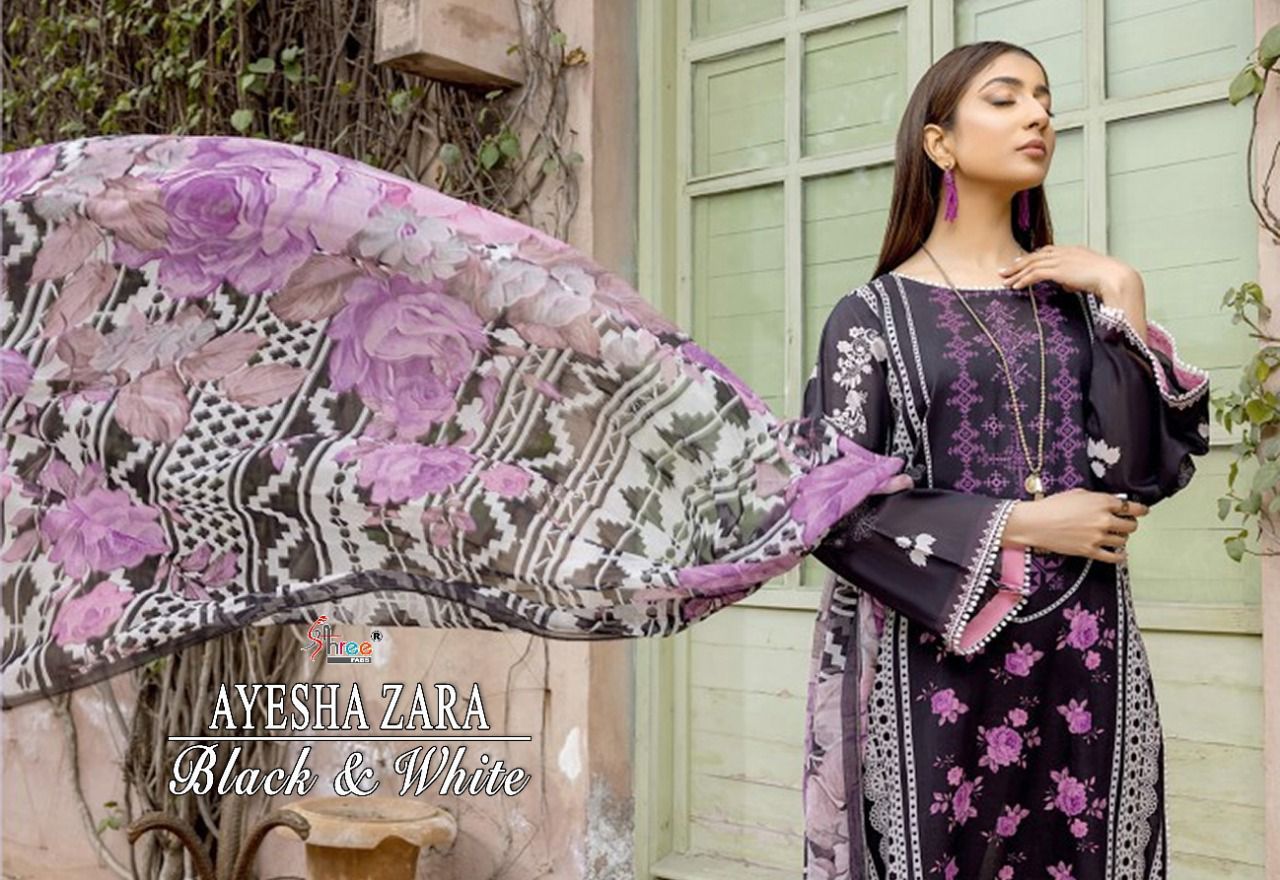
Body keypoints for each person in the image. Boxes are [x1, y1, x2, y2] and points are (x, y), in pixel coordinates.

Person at [800, 41, 1210, 880]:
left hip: (1087, 653)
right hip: (937, 667)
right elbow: (831, 512)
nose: (1038, 116)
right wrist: (1021, 524)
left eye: (1045, 100)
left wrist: (1125, 294)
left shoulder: (1081, 307)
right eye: (1006, 98)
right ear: (939, 142)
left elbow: (1135, 474)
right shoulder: (870, 318)